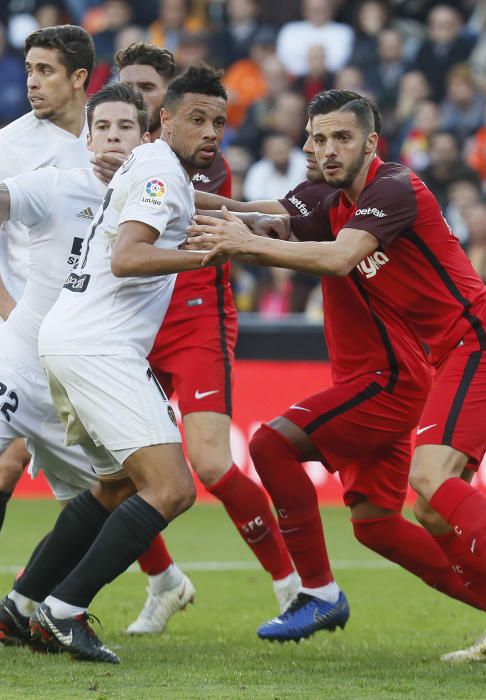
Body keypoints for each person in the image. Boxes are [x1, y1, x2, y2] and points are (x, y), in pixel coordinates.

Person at [187, 90, 486, 660]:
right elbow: (262, 213)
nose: (328, 149)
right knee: (423, 507)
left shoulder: (395, 187)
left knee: (430, 478)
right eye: (318, 138)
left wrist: (245, 243)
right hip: (449, 357)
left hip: (480, 343)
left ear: (371, 143)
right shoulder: (328, 198)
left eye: (342, 138)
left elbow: (339, 257)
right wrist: (166, 197)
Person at [1, 64, 228, 665]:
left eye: (220, 123)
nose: (210, 132)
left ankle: (20, 607)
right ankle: (64, 611)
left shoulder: (151, 167)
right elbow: (129, 258)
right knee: (173, 489)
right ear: (166, 121)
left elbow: (183, 199)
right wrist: (207, 254)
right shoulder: (156, 167)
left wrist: (251, 214)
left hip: (68, 340)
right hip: (99, 347)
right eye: (197, 119)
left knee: (116, 486)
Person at [116, 42, 298, 634]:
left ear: (167, 101)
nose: (133, 99)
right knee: (114, 472)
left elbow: (189, 215)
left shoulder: (193, 152)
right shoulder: (116, 147)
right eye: (126, 88)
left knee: (212, 463)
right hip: (134, 321)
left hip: (194, 315)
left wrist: (243, 211)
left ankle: (293, 586)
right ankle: (164, 581)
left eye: (145, 89)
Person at [0, 24, 119, 539]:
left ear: (79, 78)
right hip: (18, 330)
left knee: (105, 488)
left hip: (81, 339)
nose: (32, 82)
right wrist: (7, 308)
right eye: (29, 70)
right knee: (5, 464)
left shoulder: (113, 137)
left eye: (45, 71)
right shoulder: (11, 145)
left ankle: (162, 581)